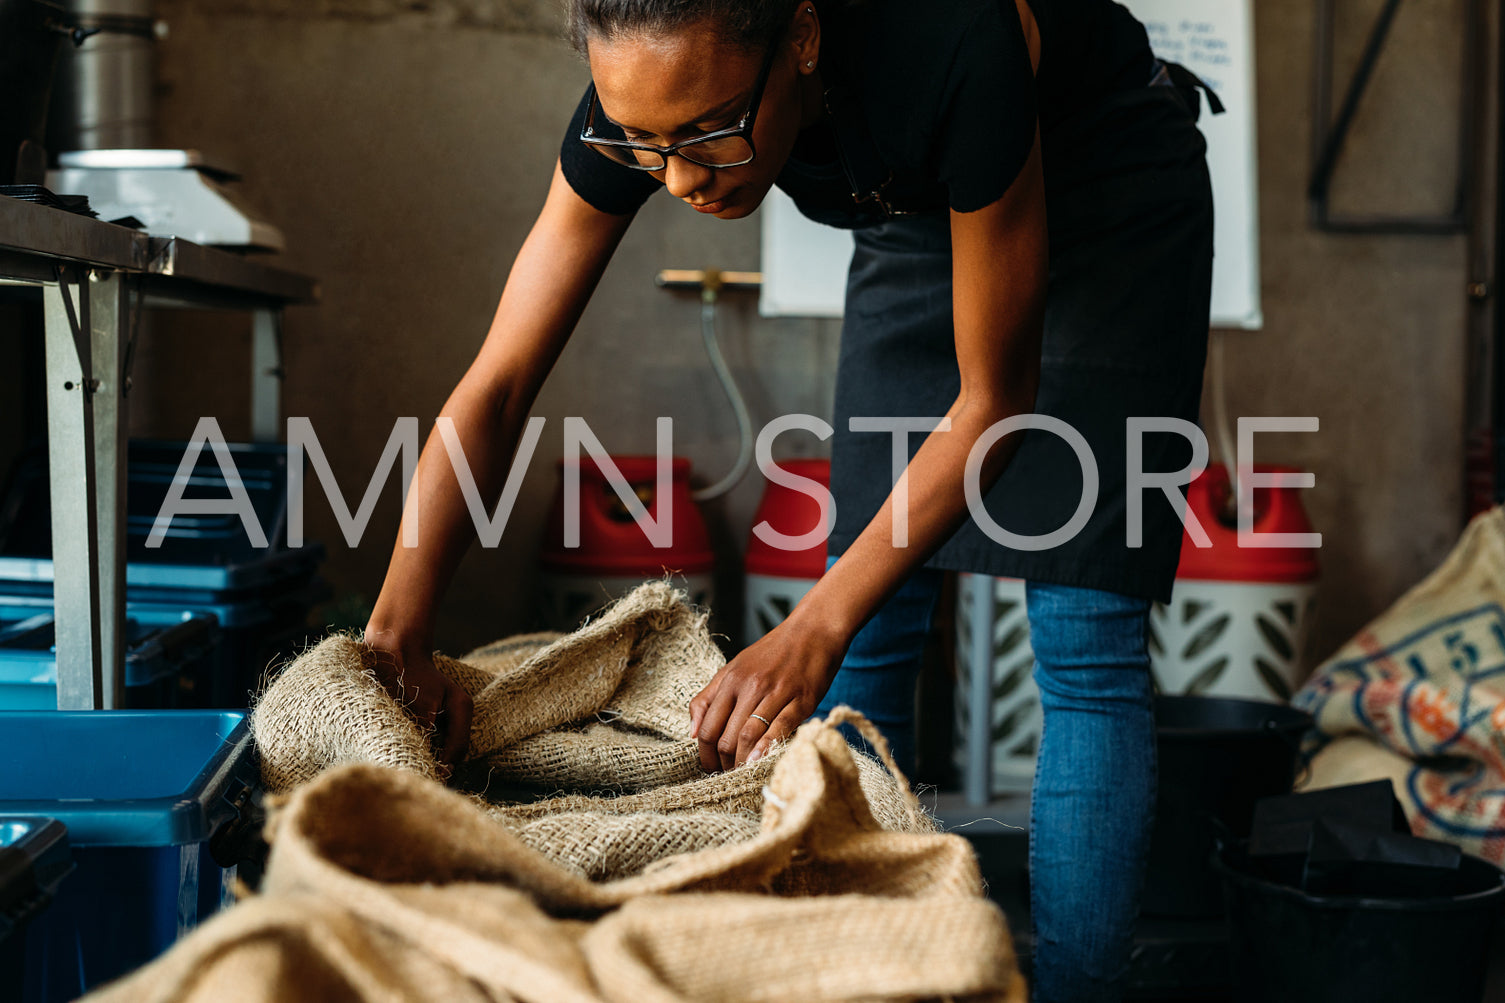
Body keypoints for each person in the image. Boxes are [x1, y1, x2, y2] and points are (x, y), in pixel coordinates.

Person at [362, 1, 1215, 999]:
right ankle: (874, 974)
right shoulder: (642, 104)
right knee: (872, 618)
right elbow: (499, 382)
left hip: (1108, 188)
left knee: (1077, 618)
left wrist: (809, 625)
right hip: (918, 208)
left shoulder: (948, 40)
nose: (678, 178)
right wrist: (399, 623)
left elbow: (994, 404)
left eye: (707, 132)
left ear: (802, 38)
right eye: (643, 143)